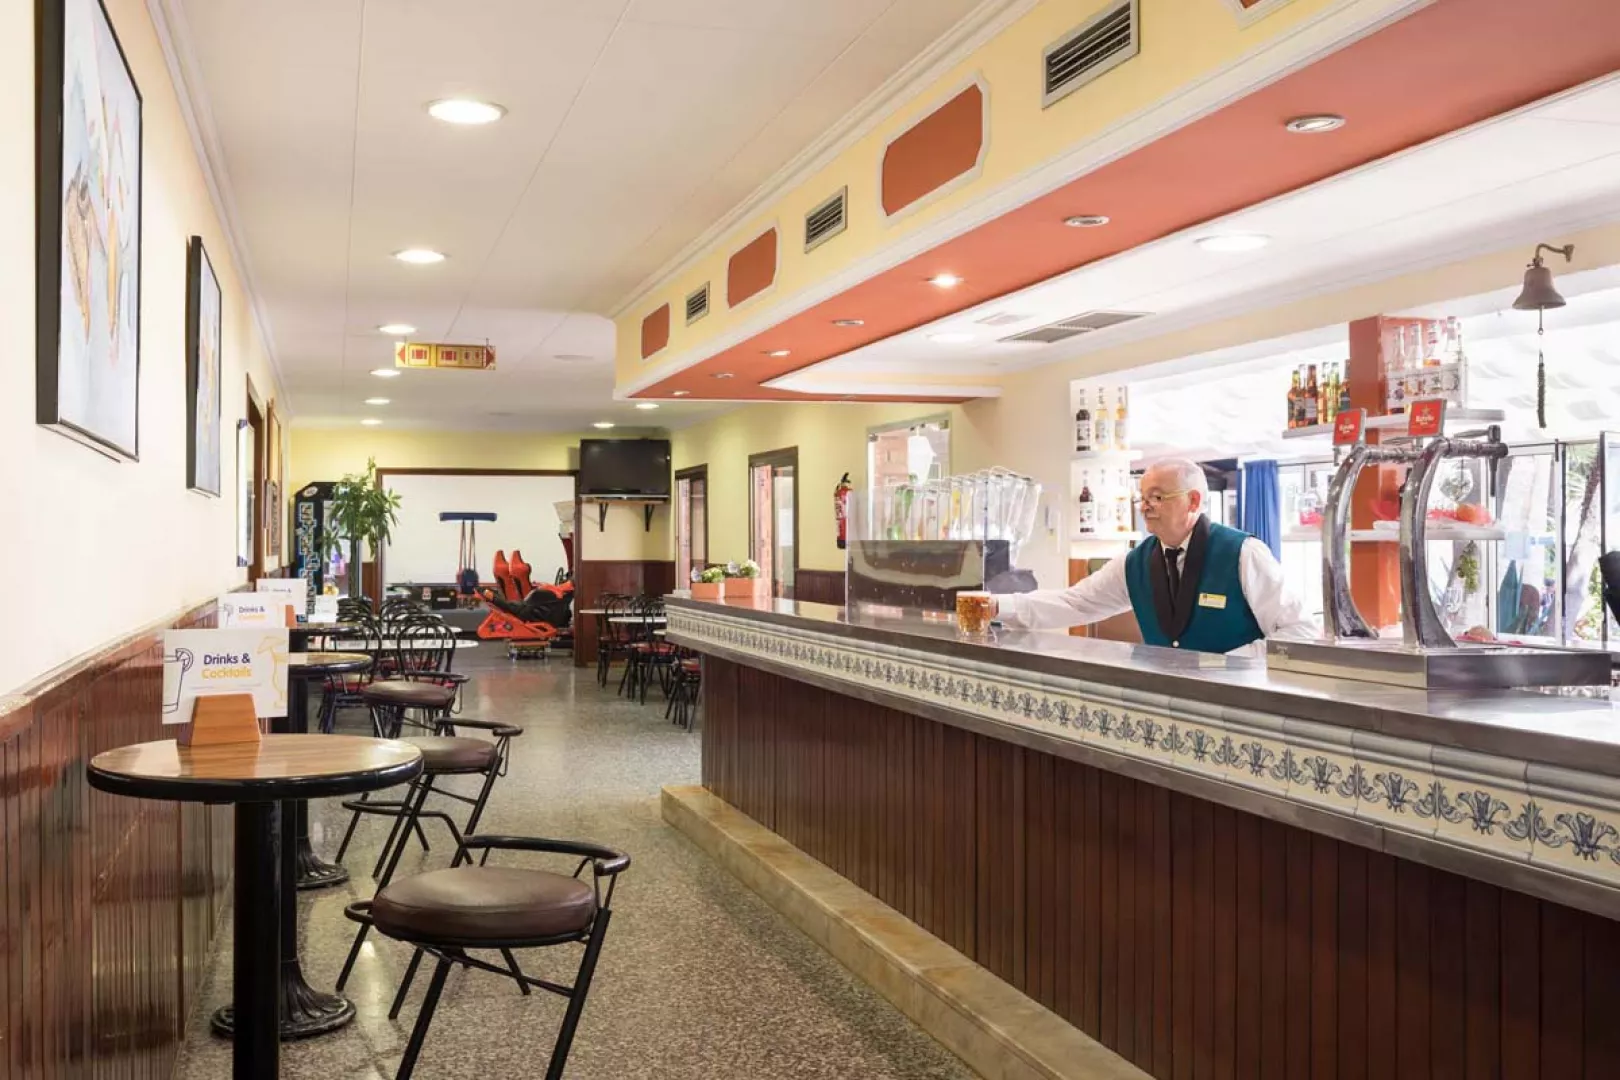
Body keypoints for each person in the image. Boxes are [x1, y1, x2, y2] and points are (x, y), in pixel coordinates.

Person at [995, 458, 1317, 654]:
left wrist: (1235, 664)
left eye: (1158, 497)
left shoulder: (1244, 554)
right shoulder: (1134, 563)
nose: (1145, 506)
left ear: (1193, 501)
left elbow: (1300, 632)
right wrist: (995, 606)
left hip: (1240, 704)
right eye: (1142, 497)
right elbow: (1074, 603)